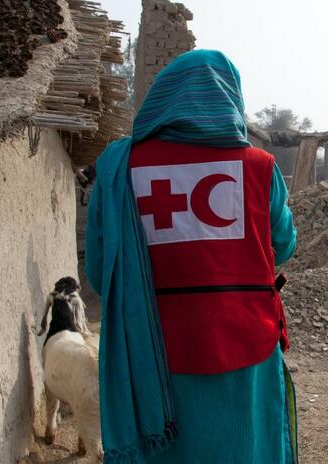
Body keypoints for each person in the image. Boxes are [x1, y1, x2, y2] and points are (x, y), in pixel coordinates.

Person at [85, 50, 298, 464]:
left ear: (162, 98)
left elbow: (100, 273)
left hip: (151, 358)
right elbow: (283, 246)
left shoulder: (118, 167)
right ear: (232, 99)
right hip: (245, 351)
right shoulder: (259, 167)